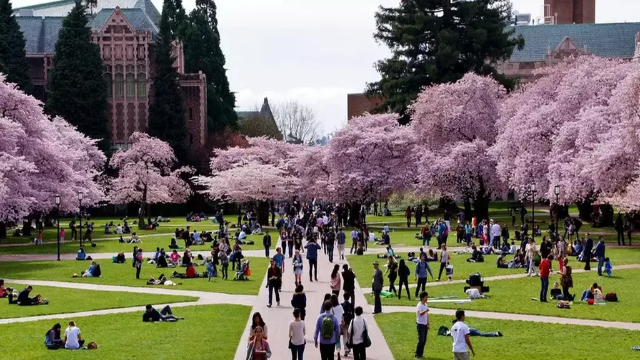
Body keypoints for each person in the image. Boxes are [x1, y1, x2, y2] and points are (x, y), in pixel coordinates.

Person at [415, 291, 430, 359]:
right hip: (420, 325)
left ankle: (421, 354)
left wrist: (428, 324)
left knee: (424, 340)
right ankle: (417, 354)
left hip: (424, 324)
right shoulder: (419, 305)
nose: (427, 298)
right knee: (421, 340)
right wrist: (425, 311)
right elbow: (420, 313)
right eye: (426, 297)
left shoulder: (425, 305)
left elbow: (427, 315)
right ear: (422, 298)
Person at [330, 294, 344, 359]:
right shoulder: (340, 307)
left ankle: (332, 352)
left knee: (332, 339)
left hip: (332, 325)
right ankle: (338, 352)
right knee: (338, 340)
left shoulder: (331, 308)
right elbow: (342, 316)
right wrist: (342, 322)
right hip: (339, 325)